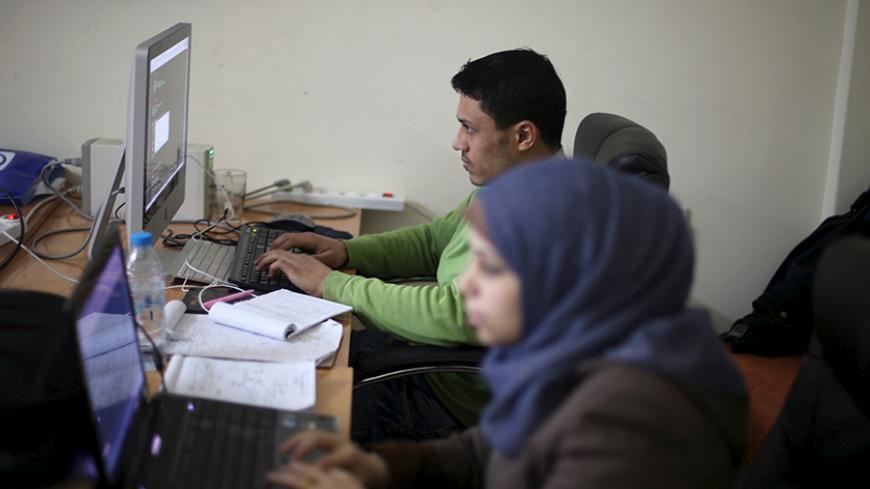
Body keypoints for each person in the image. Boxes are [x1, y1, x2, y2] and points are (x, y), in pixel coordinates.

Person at [264, 159, 748, 489]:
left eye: (490, 267)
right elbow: (482, 455)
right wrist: (379, 468)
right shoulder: (575, 358)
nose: (467, 284)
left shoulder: (632, 427)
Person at [256, 49, 567, 443]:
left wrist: (331, 285)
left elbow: (460, 314)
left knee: (278, 430)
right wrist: (349, 253)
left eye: (470, 129)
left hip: (452, 408)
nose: (458, 143)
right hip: (432, 366)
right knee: (281, 360)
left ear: (523, 135)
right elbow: (434, 240)